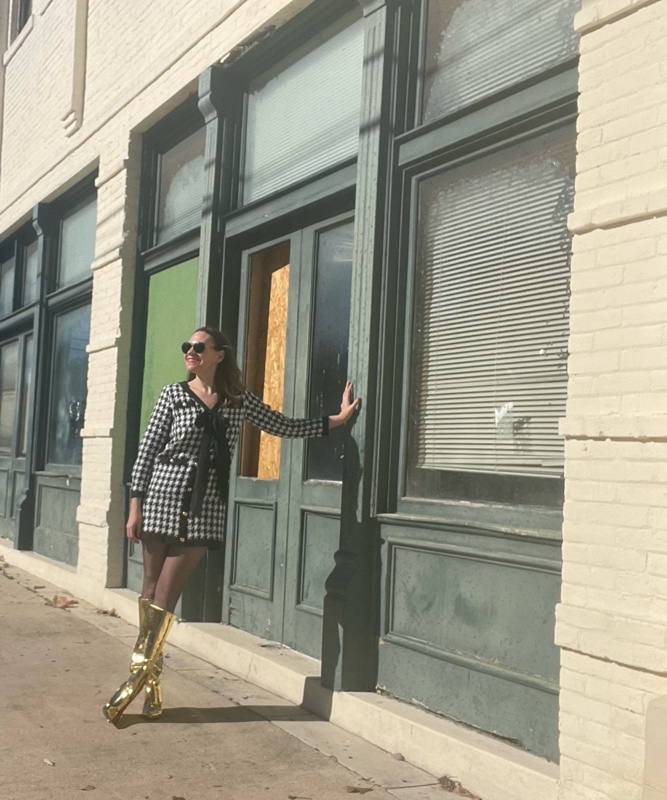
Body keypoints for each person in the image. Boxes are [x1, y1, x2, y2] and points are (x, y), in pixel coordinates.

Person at [103, 326, 360, 724]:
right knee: (150, 592)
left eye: (199, 347)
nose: (190, 351)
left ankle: (134, 679)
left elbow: (283, 425)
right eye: (186, 346)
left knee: (165, 599)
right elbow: (148, 451)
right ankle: (151, 680)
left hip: (205, 510)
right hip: (160, 501)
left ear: (219, 354)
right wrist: (134, 507)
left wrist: (336, 421)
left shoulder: (238, 402)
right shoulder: (172, 395)